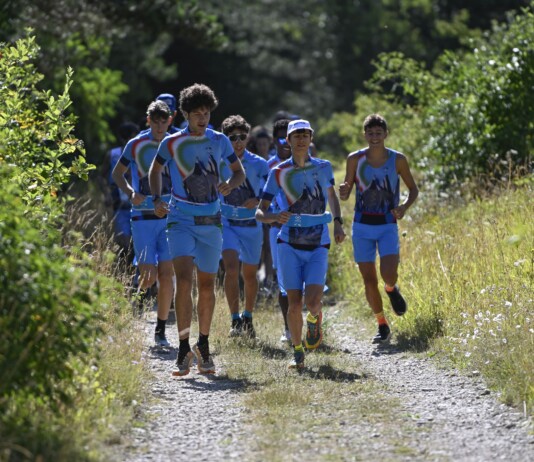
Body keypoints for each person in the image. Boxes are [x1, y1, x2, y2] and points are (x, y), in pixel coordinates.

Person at [149, 83, 245, 376]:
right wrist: (156, 199)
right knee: (183, 281)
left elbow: (238, 172)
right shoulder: (172, 142)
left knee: (206, 285)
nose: (203, 118)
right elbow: (155, 170)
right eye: (197, 114)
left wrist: (230, 184)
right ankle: (183, 347)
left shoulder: (220, 140)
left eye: (206, 113)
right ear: (186, 115)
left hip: (211, 221)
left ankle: (203, 344)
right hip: (180, 220)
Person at [256, 119, 345, 369]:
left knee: (313, 302)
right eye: (296, 135)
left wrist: (338, 223)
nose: (301, 139)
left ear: (311, 138)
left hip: (318, 243)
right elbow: (260, 212)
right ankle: (297, 352)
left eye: (305, 135)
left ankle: (315, 321)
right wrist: (275, 216)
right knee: (294, 303)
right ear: (288, 140)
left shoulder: (323, 167)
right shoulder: (278, 172)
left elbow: (331, 197)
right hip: (288, 243)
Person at [339, 114, 419, 344]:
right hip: (362, 226)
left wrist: (403, 206)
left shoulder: (398, 160)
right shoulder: (355, 159)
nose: (374, 137)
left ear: (386, 134)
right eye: (370, 133)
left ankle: (391, 289)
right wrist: (343, 191)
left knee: (388, 273)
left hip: (387, 225)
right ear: (364, 134)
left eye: (378, 133)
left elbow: (413, 190)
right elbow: (346, 192)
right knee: (368, 280)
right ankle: (381, 323)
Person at [112, 100, 175, 347]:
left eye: (163, 121)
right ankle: (136, 300)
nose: (159, 126)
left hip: (169, 217)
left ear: (169, 121)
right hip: (141, 217)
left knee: (166, 274)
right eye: (155, 121)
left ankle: (160, 329)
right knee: (148, 275)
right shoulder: (136, 144)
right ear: (148, 120)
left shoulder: (175, 143)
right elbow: (117, 174)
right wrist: (130, 193)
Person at [219, 115, 269, 338]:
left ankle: (248, 316)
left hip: (252, 224)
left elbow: (271, 191)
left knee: (249, 274)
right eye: (232, 138)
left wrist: (257, 200)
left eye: (242, 137)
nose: (238, 142)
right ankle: (234, 320)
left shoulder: (260, 164)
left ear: (248, 138)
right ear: (225, 139)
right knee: (230, 269)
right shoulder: (219, 162)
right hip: (226, 223)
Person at [266, 118, 292, 342]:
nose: (285, 142)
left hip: (305, 230)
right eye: (280, 138)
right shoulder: (268, 166)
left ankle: (312, 323)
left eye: (288, 137)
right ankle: (288, 328)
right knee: (283, 280)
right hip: (277, 229)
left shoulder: (308, 164)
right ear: (274, 140)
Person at [100, 121, 140, 263]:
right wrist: (106, 194)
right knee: (124, 241)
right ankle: (125, 268)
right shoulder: (112, 155)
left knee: (138, 242)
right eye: (133, 136)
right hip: (119, 205)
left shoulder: (141, 154)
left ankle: (136, 270)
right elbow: (101, 176)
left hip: (140, 206)